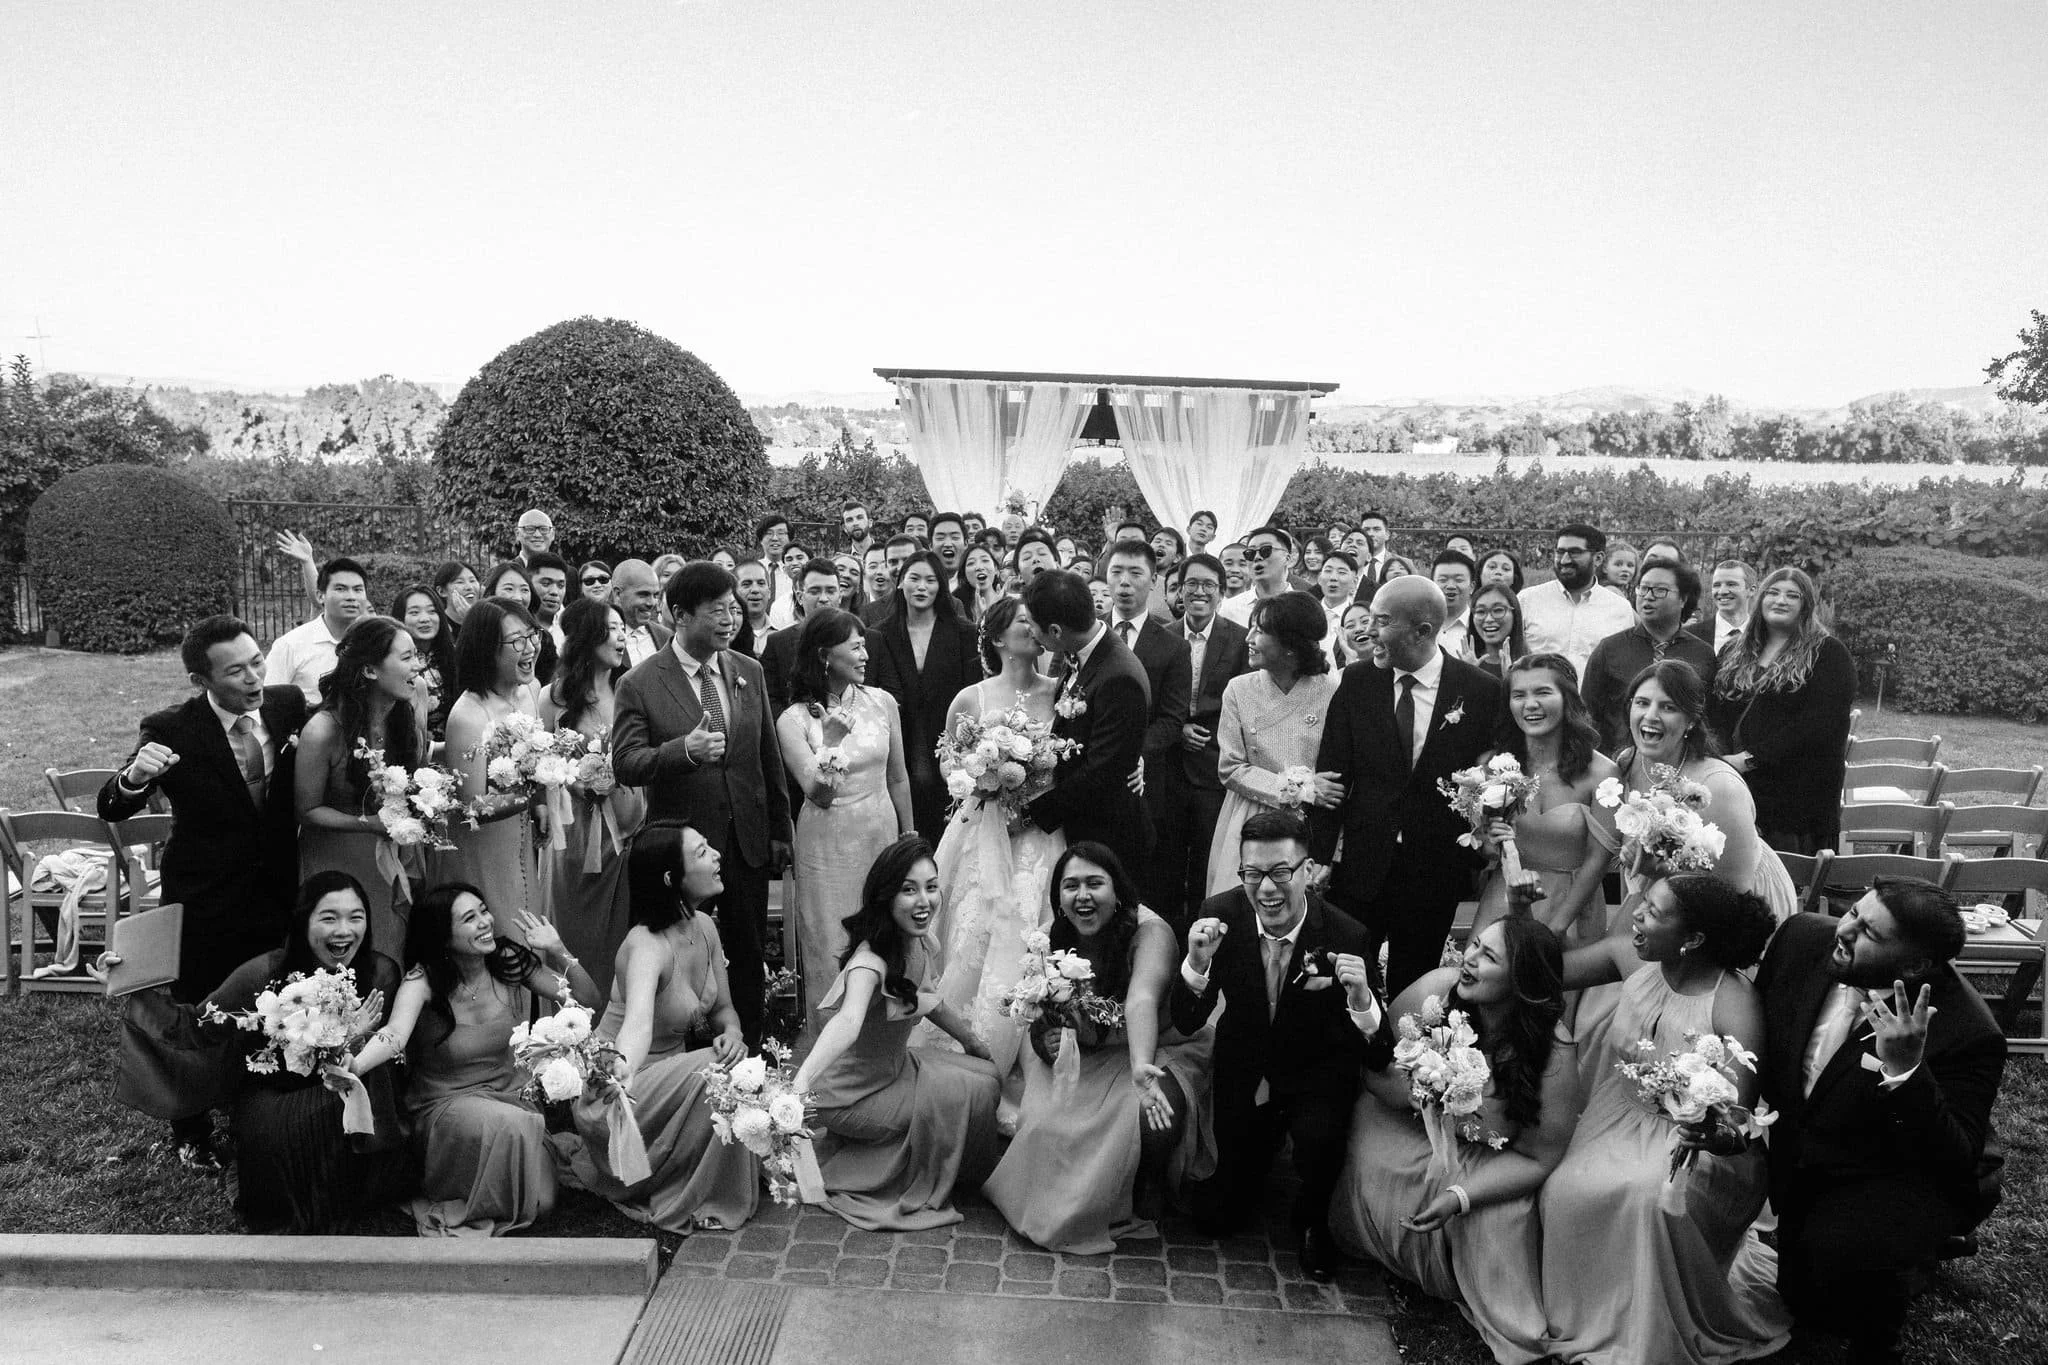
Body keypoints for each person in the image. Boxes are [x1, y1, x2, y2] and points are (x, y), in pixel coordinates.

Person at [1754, 879, 2007, 1365]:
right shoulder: (1802, 937)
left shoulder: (1968, 1031)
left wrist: (1907, 1072)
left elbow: (1954, 1155)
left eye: (1868, 930)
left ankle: (1903, 1282)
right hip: (1806, 1145)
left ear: (1913, 965)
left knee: (1845, 1286)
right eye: (1853, 912)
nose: (1845, 929)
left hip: (1890, 1169)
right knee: (1801, 1301)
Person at [1543, 874, 1791, 1363]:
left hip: (1697, 1144)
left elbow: (1735, 1117)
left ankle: (1639, 1327)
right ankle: (1582, 1311)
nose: (1636, 914)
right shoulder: (1631, 956)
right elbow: (1542, 970)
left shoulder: (1733, 1001)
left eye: (1654, 912)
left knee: (1643, 1198)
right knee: (1562, 1190)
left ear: (1693, 939)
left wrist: (1703, 1127)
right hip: (1618, 1114)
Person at [101, 615, 309, 1170]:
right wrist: (135, 778)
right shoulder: (171, 729)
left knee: (277, 1000)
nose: (253, 678)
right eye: (236, 670)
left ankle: (264, 1105)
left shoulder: (287, 705)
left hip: (278, 889)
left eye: (257, 662)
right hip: (206, 897)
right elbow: (111, 806)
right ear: (202, 680)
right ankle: (190, 1128)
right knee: (200, 1009)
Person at [1330, 916, 1575, 1363]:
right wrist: (1422, 1090)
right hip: (1406, 1119)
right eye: (1474, 945)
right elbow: (1374, 1066)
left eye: (1489, 957)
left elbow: (1540, 1159)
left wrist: (1461, 1196)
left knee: (1501, 1217)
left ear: (1521, 981)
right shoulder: (1436, 991)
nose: (1470, 960)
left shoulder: (1553, 1052)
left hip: (1489, 1152)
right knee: (1369, 1148)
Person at [1173, 810, 1388, 1280]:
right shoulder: (1219, 916)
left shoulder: (1346, 935)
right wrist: (1194, 963)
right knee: (1219, 1217)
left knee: (1318, 1143)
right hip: (1244, 1070)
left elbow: (1379, 1050)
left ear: (1308, 872)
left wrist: (1362, 999)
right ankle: (1247, 1168)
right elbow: (1185, 1021)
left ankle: (1313, 1218)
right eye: (1252, 874)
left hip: (1315, 1077)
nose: (1266, 888)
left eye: (1280, 873)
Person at [984, 843, 1213, 1252]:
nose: (1082, 896)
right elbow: (1044, 1011)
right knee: (1044, 1119)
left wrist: (1141, 1066)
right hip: (1092, 1048)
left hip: (1158, 1046)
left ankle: (1148, 1182)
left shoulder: (1151, 933)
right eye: (1070, 886)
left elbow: (1141, 1000)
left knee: (1144, 1114)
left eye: (1095, 884)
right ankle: (1067, 1196)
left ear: (1118, 889)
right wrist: (1045, 1041)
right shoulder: (1056, 934)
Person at [612, 562, 792, 1047]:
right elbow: (625, 763)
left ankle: (750, 1067)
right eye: (717, 611)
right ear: (680, 615)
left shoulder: (747, 670)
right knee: (681, 963)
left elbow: (766, 756)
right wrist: (682, 752)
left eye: (733, 609)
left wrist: (780, 831)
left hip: (746, 842)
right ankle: (689, 1071)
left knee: (747, 958)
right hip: (681, 849)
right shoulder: (640, 682)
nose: (729, 620)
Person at [349, 884, 597, 1236]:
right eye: (470, 918)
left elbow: (587, 999)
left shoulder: (509, 962)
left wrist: (558, 950)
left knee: (543, 1203)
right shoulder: (422, 980)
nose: (486, 922)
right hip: (447, 1106)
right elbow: (395, 1034)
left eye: (483, 910)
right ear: (443, 935)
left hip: (513, 1102)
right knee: (512, 1129)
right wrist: (356, 1064)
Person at [791, 836, 1002, 1231]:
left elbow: (931, 1002)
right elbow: (848, 1022)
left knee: (988, 1077)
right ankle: (867, 1167)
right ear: (886, 896)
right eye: (909, 890)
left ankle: (951, 1166)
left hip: (894, 1070)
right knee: (969, 1095)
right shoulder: (868, 964)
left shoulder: (918, 941)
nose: (924, 901)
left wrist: (974, 1044)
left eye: (931, 887)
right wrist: (801, 1082)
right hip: (851, 1095)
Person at [560, 825, 761, 1233]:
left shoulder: (704, 926)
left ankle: (712, 1181)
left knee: (728, 1063)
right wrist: (622, 1072)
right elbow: (636, 1025)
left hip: (670, 1079)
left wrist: (734, 1036)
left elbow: (724, 1009)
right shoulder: (646, 945)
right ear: (672, 879)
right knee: (715, 1070)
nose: (718, 855)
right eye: (703, 852)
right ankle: (695, 1189)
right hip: (616, 1091)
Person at [1312, 576, 1503, 996]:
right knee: (1342, 978)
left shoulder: (1481, 691)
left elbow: (1496, 777)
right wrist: (1319, 854)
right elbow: (1333, 773)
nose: (1368, 632)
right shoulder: (1357, 682)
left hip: (1433, 871)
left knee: (1411, 988)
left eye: (1381, 621)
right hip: (1361, 865)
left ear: (1423, 630)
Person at [193, 870, 410, 1232]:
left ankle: (361, 1191)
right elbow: (198, 1023)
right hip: (276, 1091)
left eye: (356, 918)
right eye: (329, 918)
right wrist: (132, 987)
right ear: (303, 921)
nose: (344, 930)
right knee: (276, 1128)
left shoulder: (380, 972)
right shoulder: (266, 972)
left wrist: (352, 1038)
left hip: (346, 1085)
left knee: (371, 1084)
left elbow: (389, 1051)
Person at [923, 596, 1067, 1124]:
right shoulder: (972, 695)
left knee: (1032, 930)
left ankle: (1027, 1058)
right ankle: (969, 1056)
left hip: (1040, 834)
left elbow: (1073, 760)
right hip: (981, 830)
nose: (1030, 629)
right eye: (1020, 623)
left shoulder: (1062, 693)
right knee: (973, 927)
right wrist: (979, 782)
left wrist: (1032, 797)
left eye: (1035, 620)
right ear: (998, 638)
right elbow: (946, 759)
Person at [777, 607, 912, 1021]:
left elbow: (899, 778)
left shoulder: (882, 702)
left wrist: (910, 838)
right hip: (827, 845)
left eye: (864, 645)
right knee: (833, 940)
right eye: (855, 647)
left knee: (888, 934)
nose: (865, 654)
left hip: (882, 837)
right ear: (824, 655)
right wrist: (831, 742)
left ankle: (887, 1035)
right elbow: (816, 795)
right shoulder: (793, 719)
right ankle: (833, 1042)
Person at [295, 615, 426, 955]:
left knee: (392, 948)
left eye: (417, 656)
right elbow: (307, 811)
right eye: (407, 657)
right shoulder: (323, 730)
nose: (418, 667)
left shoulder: (404, 712)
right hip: (338, 857)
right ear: (370, 670)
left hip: (392, 853)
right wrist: (368, 824)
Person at [537, 597, 646, 1006]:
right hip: (576, 832)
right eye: (611, 628)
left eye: (622, 628)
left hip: (630, 824)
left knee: (622, 935)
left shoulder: (631, 689)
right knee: (574, 929)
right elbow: (539, 762)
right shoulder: (555, 697)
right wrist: (575, 782)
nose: (620, 636)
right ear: (586, 636)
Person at [1467, 654, 1619, 945]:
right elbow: (1487, 852)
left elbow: (1598, 861)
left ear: (1568, 699)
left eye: (1543, 692)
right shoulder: (1493, 765)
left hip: (1571, 907)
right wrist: (1490, 841)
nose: (1530, 704)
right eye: (1518, 695)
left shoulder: (1602, 773)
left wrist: (1557, 928)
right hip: (1505, 896)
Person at [1710, 568, 1859, 854]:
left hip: (1796, 798)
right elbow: (1716, 712)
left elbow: (1818, 725)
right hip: (1734, 786)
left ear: (1806, 606)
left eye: (1793, 595)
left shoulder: (1828, 654)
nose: (1781, 600)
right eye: (1773, 592)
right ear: (1760, 597)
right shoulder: (1732, 651)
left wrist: (1750, 759)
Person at [1206, 593, 1343, 896]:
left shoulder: (1333, 691)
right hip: (1251, 812)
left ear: (1291, 646)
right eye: (1250, 627)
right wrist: (1300, 788)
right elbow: (1230, 768)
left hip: (1311, 822)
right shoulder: (1239, 690)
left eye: (1260, 631)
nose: (1248, 638)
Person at [1022, 569, 1154, 872]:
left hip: (1108, 840)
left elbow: (1101, 775)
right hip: (1080, 826)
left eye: (1031, 624)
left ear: (1055, 631)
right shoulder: (1080, 651)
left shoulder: (1120, 676)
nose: (1030, 631)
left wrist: (1029, 814)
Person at [1147, 554, 1250, 924]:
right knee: (1167, 862)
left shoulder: (1239, 640)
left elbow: (1245, 707)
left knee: (1209, 861)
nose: (1199, 592)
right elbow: (1152, 705)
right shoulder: (1162, 636)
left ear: (1221, 593)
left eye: (1208, 585)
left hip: (1215, 770)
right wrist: (1178, 730)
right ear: (1177, 590)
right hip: (1170, 768)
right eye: (1191, 584)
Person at [438, 600, 544, 943]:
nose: (530, 648)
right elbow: (471, 807)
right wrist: (531, 796)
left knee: (530, 923)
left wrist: (538, 805)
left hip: (520, 834)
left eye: (533, 635)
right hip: (483, 846)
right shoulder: (469, 715)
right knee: (501, 930)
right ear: (485, 649)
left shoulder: (530, 689)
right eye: (517, 641)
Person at [864, 549, 979, 841]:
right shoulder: (880, 634)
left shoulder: (964, 632)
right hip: (900, 738)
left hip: (950, 737)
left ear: (941, 586)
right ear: (900, 583)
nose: (921, 587)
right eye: (914, 578)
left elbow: (974, 691)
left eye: (930, 580)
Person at [1104, 541, 1193, 911]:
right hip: (1092, 782)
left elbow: (1173, 720)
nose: (1124, 582)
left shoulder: (1173, 646)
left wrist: (1132, 752)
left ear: (1153, 580)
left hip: (1147, 784)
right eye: (1116, 572)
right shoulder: (1086, 637)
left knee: (1145, 888)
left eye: (1135, 573)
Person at [1580, 554, 1719, 752]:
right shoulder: (1609, 649)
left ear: (1683, 599)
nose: (1648, 596)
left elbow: (1709, 719)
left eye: (1660, 590)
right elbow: (1587, 714)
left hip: (1681, 764)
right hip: (1619, 763)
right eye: (1643, 588)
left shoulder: (1702, 654)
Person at [1517, 524, 1634, 681]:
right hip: (1536, 701)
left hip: (1592, 704)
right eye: (1560, 552)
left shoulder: (1619, 609)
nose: (1564, 560)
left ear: (1598, 558)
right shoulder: (1527, 600)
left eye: (1574, 553)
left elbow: (1623, 668)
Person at [266, 556, 370, 706]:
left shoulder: (375, 641)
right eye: (341, 589)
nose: (351, 597)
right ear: (321, 596)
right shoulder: (291, 645)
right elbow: (267, 698)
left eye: (358, 590)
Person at [762, 558, 846, 717]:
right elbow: (769, 700)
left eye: (830, 591)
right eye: (815, 591)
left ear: (840, 596)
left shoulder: (865, 640)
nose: (823, 598)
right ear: (800, 597)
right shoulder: (778, 643)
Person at [392, 584, 458, 742]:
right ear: (400, 618)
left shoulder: (454, 656)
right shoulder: (392, 663)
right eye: (414, 612)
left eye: (432, 611)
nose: (424, 619)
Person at [483, 561, 559, 687]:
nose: (518, 597)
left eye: (524, 590)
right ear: (492, 592)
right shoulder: (481, 635)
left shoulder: (542, 638)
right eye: (509, 589)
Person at [1218, 525, 1293, 628]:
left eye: (1266, 550)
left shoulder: (1304, 608)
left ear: (1287, 558)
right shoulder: (1230, 609)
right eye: (1250, 553)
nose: (1257, 557)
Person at [609, 559, 672, 668]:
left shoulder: (667, 637)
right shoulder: (599, 639)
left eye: (655, 595)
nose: (651, 603)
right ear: (618, 594)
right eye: (643, 595)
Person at [1467, 582, 1527, 678]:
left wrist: (1511, 680)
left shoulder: (1532, 666)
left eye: (1498, 610)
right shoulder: (1465, 663)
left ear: (1514, 613)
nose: (1488, 619)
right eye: (1481, 612)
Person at [1432, 549, 1479, 661]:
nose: (1451, 586)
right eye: (1443, 580)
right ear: (1432, 584)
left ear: (1472, 586)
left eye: (1459, 580)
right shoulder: (1419, 623)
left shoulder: (1480, 626)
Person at [1710, 559, 1758, 654]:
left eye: (1731, 584)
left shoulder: (1764, 636)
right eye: (1717, 585)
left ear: (1751, 590)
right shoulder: (1693, 634)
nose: (1722, 591)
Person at [955, 542, 1005, 622]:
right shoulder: (956, 608)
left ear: (996, 569)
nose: (979, 567)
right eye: (971, 563)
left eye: (985, 560)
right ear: (964, 574)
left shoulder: (1012, 601)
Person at [734, 557, 775, 655]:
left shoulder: (783, 635)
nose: (755, 590)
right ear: (734, 592)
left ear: (769, 592)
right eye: (746, 584)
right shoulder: (727, 635)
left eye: (761, 583)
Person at [1353, 510, 1394, 595]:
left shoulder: (1403, 564)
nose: (1371, 534)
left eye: (1376, 529)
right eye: (1366, 530)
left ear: (1387, 534)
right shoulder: (1351, 562)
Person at [433, 561, 481, 633]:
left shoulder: (488, 619)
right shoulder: (438, 626)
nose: (469, 587)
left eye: (472, 580)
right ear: (441, 591)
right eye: (460, 582)